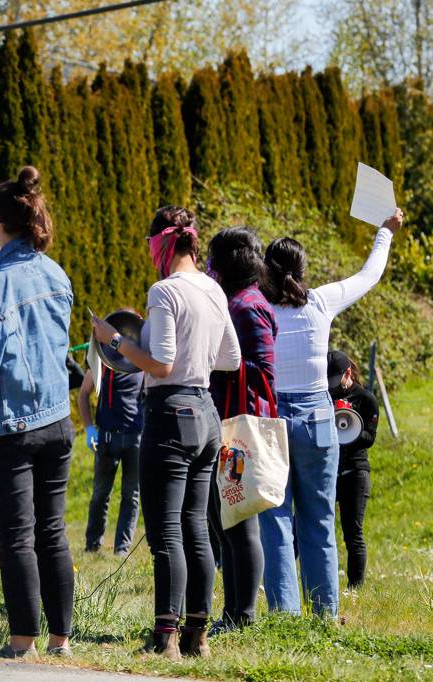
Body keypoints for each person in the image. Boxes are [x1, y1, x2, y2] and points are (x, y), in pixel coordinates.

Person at [92, 205, 240, 659]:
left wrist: (113, 340)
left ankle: (165, 637)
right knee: (197, 527)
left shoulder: (164, 290)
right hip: (206, 413)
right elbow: (231, 359)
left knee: (166, 533)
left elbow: (161, 364)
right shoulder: (213, 289)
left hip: (170, 411)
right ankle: (199, 635)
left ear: (161, 243)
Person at [0, 166, 75, 660]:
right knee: (54, 531)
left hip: (10, 425)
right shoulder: (55, 272)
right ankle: (61, 639)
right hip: (57, 420)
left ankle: (22, 641)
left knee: (17, 539)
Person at [258, 209, 401, 618]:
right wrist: (385, 232)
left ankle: (284, 616)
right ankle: (325, 614)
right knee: (319, 520)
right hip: (319, 415)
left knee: (277, 519)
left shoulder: (259, 310)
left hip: (276, 419)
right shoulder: (320, 302)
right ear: (303, 271)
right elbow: (368, 276)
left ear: (266, 271)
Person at [204, 227, 277, 633]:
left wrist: (215, 354)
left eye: (214, 259)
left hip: (241, 425)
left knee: (238, 520)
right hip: (228, 419)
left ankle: (242, 614)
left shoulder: (248, 306)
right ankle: (232, 612)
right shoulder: (238, 301)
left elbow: (263, 370)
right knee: (225, 520)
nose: (209, 267)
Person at [78, 339, 144, 557]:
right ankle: (92, 545)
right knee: (100, 494)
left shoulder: (142, 363)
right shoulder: (104, 362)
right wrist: (89, 429)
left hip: (136, 438)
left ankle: (121, 550)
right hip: (107, 438)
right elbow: (83, 395)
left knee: (131, 496)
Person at [328, 350, 378, 589]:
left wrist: (349, 428)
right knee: (307, 526)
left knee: (352, 532)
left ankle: (355, 587)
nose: (334, 386)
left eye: (337, 380)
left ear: (348, 373)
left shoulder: (366, 399)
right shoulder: (325, 395)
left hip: (355, 470)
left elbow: (369, 437)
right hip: (329, 470)